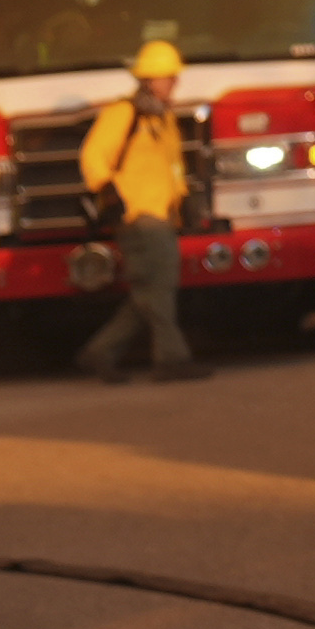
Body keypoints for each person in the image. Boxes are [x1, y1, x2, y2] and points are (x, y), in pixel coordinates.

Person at [77, 34, 205, 383]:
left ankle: (99, 353)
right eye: (169, 76)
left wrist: (185, 203)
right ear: (149, 79)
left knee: (148, 291)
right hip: (138, 217)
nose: (174, 82)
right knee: (159, 286)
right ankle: (172, 360)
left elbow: (173, 167)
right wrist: (109, 193)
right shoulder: (124, 114)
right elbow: (93, 155)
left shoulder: (162, 119)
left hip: (161, 215)